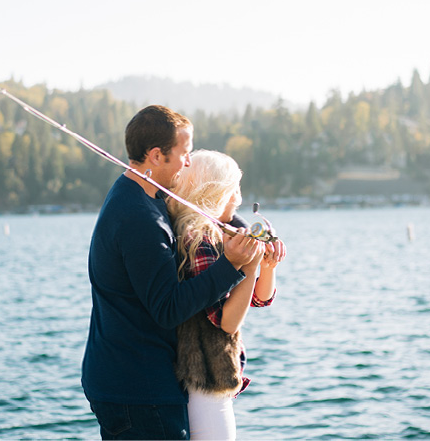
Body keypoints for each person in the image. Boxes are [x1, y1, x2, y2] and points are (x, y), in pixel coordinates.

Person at [82, 105, 264, 440]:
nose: (189, 162)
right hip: (138, 389)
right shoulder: (140, 219)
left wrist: (241, 229)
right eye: (185, 153)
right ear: (156, 155)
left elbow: (205, 210)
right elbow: (169, 308)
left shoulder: (139, 195)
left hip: (123, 378)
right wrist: (232, 265)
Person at [168, 150, 286, 440]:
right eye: (235, 188)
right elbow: (227, 321)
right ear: (218, 192)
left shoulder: (222, 234)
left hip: (210, 380)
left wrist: (267, 267)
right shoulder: (198, 240)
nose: (240, 198)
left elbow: (258, 299)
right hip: (206, 380)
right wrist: (250, 264)